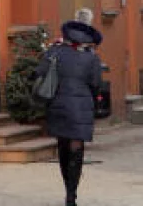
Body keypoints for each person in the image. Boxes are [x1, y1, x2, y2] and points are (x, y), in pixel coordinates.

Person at [35, 19, 103, 206]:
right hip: (81, 107)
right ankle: (71, 194)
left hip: (58, 104)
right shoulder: (91, 58)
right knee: (76, 147)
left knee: (63, 145)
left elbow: (39, 72)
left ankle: (67, 187)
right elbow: (96, 84)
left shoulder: (54, 52)